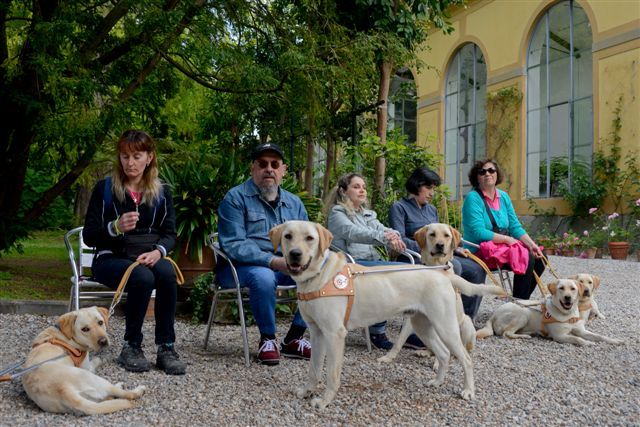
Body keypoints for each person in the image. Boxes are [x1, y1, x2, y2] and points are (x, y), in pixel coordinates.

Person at [83, 129, 185, 375]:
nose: (130, 162)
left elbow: (170, 234)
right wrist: (114, 227)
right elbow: (89, 235)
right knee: (142, 277)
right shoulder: (105, 189)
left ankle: (166, 347)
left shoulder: (162, 192)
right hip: (110, 259)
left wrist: (159, 252)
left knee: (167, 274)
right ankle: (131, 345)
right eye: (125, 156)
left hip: (148, 256)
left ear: (149, 158)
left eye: (137, 156)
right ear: (119, 158)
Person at [217, 142, 311, 365]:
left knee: (318, 274)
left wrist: (305, 260)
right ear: (253, 168)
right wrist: (272, 261)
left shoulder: (294, 203)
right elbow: (234, 244)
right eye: (262, 163)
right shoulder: (235, 198)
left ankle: (294, 338)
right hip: (239, 268)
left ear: (283, 170)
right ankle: (267, 339)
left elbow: (307, 240)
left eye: (274, 164)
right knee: (263, 276)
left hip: (285, 265)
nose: (269, 168)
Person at [326, 173, 425, 351]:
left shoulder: (367, 214)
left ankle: (410, 332)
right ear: (343, 191)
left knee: (412, 271)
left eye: (363, 187)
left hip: (370, 262)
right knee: (407, 272)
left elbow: (382, 228)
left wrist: (392, 234)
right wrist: (384, 237)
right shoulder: (337, 213)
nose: (362, 190)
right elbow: (353, 232)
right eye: (356, 186)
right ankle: (378, 333)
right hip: (350, 264)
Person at [389, 167, 487, 318]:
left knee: (476, 269)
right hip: (414, 256)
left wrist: (454, 248)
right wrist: (428, 247)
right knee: (457, 266)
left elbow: (441, 238)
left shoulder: (431, 210)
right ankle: (441, 316)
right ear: (416, 185)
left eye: (433, 189)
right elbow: (400, 239)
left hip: (439, 255)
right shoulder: (399, 207)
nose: (431, 193)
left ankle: (464, 318)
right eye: (428, 188)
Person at [462, 159, 545, 299]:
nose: (487, 174)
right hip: (479, 249)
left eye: (491, 170)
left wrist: (532, 245)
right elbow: (478, 232)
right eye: (482, 172)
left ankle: (519, 300)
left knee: (539, 258)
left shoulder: (504, 197)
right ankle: (519, 305)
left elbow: (514, 226)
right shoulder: (473, 198)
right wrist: (507, 239)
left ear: (497, 174)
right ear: (477, 177)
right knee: (526, 256)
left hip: (501, 247)